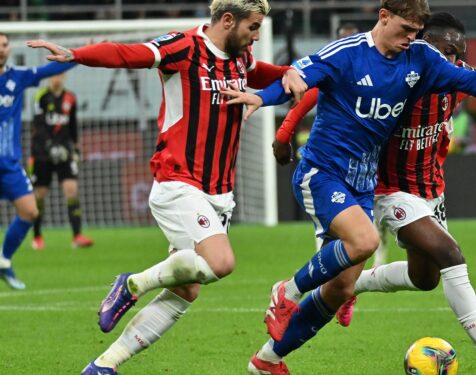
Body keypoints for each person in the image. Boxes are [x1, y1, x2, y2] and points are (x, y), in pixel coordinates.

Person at [273, 12, 476, 375]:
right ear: (424, 45)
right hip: (389, 189)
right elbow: (319, 87)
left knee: (424, 279)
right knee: (450, 254)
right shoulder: (403, 78)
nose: (454, 60)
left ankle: (352, 284)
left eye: (460, 54)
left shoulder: (454, 78)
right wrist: (285, 133)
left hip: (430, 192)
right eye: (447, 51)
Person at [220, 1, 476, 373]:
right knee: (365, 241)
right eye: (406, 29)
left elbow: (473, 81)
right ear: (384, 16)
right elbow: (297, 80)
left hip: (362, 183)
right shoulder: (347, 54)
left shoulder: (421, 57)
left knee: (342, 287)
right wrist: (263, 97)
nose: (411, 38)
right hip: (323, 173)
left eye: (415, 31)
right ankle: (287, 291)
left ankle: (266, 360)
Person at [28, 0, 307, 374]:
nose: (256, 35)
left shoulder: (242, 56)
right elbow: (128, 53)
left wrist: (290, 71)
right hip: (178, 180)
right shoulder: (185, 47)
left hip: (219, 191)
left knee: (187, 288)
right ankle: (132, 284)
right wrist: (77, 54)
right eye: (252, 27)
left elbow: (265, 75)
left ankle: (103, 365)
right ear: (228, 20)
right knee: (221, 262)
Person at [277, 21, 392, 266]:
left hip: (372, 161)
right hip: (333, 167)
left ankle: (373, 261)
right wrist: (283, 136)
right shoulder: (336, 70)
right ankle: (307, 287)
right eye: (343, 37)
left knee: (365, 229)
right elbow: (303, 103)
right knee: (349, 235)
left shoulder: (388, 72)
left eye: (353, 35)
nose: (349, 41)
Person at [0, 32, 76, 290]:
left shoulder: (16, 77)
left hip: (9, 164)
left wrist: (78, 55)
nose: (2, 49)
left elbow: (47, 69)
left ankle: (4, 262)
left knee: (30, 211)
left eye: (5, 45)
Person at [29, 73, 94, 250]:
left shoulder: (70, 98)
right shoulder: (41, 96)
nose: (57, 78)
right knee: (39, 196)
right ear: (49, 77)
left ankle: (77, 235)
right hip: (42, 153)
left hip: (65, 152)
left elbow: (72, 126)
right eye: (54, 75)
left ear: (65, 77)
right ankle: (37, 236)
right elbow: (38, 126)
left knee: (72, 191)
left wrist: (76, 148)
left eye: (60, 75)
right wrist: (49, 146)